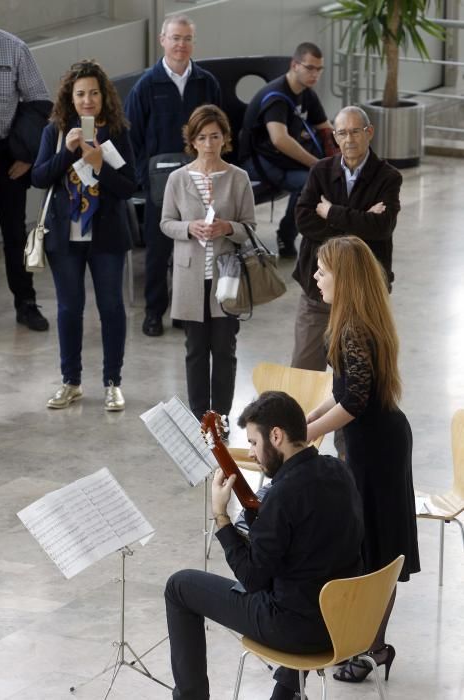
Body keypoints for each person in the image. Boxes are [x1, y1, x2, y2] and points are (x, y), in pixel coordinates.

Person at [165, 390, 364, 700]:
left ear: (276, 436)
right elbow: (300, 540)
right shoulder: (339, 470)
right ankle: (285, 694)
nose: (253, 454)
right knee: (308, 579)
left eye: (254, 443)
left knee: (179, 587)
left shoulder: (282, 496)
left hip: (298, 629)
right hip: (347, 621)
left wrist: (221, 517)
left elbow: (253, 579)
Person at [306, 235, 420, 683]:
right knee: (363, 543)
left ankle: (373, 647)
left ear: (345, 278)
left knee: (377, 548)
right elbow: (340, 394)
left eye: (322, 270)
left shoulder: (354, 327)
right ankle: (362, 642)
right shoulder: (352, 320)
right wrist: (306, 421)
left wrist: (308, 434)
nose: (315, 277)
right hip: (370, 441)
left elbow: (354, 403)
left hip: (377, 448)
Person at [32, 60, 136, 411]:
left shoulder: (118, 132)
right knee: (68, 309)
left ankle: (113, 382)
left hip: (106, 235)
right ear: (70, 98)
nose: (87, 100)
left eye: (94, 93)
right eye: (80, 94)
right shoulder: (56, 131)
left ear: (104, 96)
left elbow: (128, 186)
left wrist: (97, 163)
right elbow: (39, 177)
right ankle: (71, 382)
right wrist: (67, 153)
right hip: (65, 237)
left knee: (111, 308)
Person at [125, 13, 221, 338]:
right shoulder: (146, 86)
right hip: (160, 184)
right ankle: (154, 312)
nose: (181, 44)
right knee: (159, 250)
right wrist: (143, 177)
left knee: (192, 250)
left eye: (187, 38)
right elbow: (131, 138)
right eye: (175, 38)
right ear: (162, 40)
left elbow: (219, 130)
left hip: (199, 179)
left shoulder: (206, 83)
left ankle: (185, 311)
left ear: (194, 42)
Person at [161, 105, 255, 421]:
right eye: (202, 137)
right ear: (193, 140)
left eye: (215, 136)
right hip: (190, 277)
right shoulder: (176, 178)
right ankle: (202, 416)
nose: (209, 144)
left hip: (226, 276)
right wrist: (190, 227)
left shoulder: (238, 178)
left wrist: (227, 227)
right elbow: (165, 223)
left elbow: (250, 228)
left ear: (225, 138)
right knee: (195, 349)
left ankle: (222, 414)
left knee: (225, 349)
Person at [292, 105, 402, 371]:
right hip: (316, 289)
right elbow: (304, 221)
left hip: (364, 293)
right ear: (335, 137)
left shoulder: (388, 177)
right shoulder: (320, 171)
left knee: (360, 376)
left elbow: (382, 227)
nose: (349, 139)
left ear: (369, 132)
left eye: (356, 131)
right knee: (304, 370)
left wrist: (331, 212)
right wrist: (360, 219)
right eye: (342, 133)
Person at [239, 42, 335, 258]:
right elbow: (279, 140)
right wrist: (316, 164)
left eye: (319, 69)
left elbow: (325, 128)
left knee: (324, 177)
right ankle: (287, 235)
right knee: (312, 181)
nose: (315, 75)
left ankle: (314, 235)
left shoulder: (306, 93)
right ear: (294, 65)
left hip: (281, 160)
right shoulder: (276, 96)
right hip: (258, 163)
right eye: (310, 68)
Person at [0, 28, 52, 331]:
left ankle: (27, 303)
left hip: (8, 156)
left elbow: (39, 103)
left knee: (17, 234)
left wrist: (28, 154)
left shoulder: (14, 48)